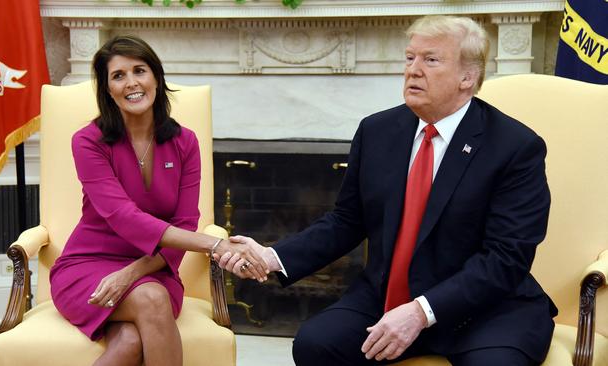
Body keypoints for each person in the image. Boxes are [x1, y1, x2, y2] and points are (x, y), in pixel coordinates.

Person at [216, 15, 557, 366]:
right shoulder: (377, 130)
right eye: (410, 58)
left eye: (431, 59)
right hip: (389, 296)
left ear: (467, 77)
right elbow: (347, 221)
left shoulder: (515, 147)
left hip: (485, 310)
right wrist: (272, 258)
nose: (413, 70)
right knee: (315, 344)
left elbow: (505, 258)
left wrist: (421, 312)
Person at [49, 35, 268, 366]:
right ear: (107, 89)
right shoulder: (88, 141)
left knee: (130, 339)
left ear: (156, 78)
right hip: (87, 268)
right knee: (150, 301)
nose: (131, 83)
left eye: (140, 70)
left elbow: (183, 224)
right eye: (118, 75)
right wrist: (217, 246)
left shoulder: (185, 142)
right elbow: (123, 216)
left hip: (156, 268)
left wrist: (132, 272)